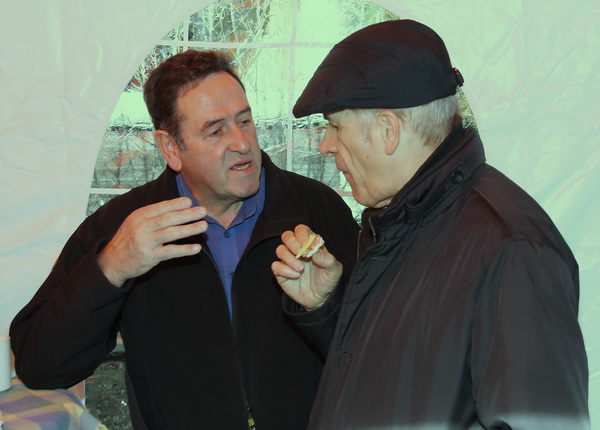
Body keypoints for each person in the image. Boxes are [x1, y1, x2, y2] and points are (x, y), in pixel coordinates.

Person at [10, 50, 359, 430]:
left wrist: (325, 306)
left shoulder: (317, 210)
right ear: (171, 148)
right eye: (216, 130)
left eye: (245, 121)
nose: (242, 142)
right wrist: (110, 269)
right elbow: (41, 367)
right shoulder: (120, 228)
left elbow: (375, 353)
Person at [272, 20, 589, 429]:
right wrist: (327, 308)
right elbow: (407, 383)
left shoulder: (512, 250)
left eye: (334, 126)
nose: (325, 145)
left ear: (388, 131)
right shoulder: (403, 223)